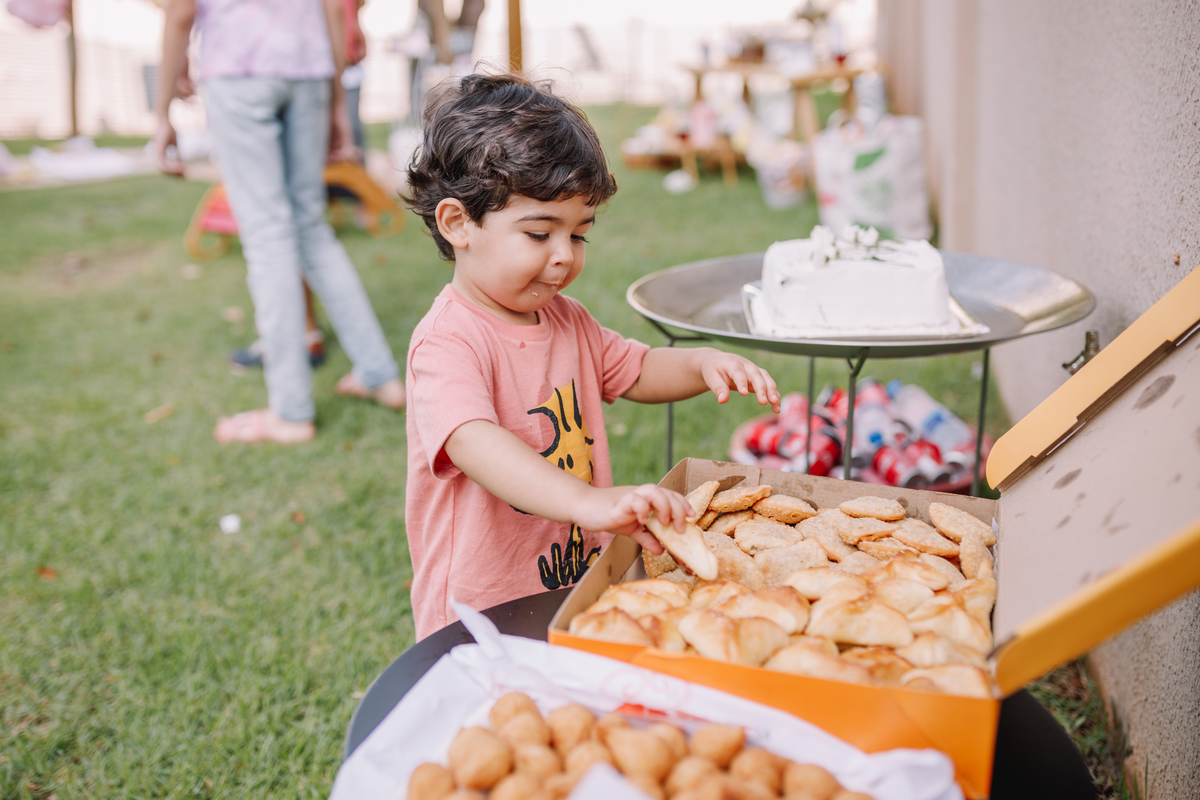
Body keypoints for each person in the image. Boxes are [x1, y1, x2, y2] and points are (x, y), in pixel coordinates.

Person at [403, 73, 782, 639]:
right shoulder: (448, 341)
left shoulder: (568, 319)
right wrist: (585, 501)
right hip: (481, 610)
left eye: (579, 234)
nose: (564, 256)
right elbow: (473, 441)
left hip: (569, 582)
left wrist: (702, 363)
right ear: (458, 223)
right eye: (539, 234)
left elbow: (637, 369)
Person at [153, 0, 406, 443]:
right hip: (308, 70)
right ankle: (379, 375)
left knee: (267, 235)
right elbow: (333, 9)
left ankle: (290, 413)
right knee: (312, 228)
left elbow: (180, 12)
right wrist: (336, 105)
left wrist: (160, 114)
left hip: (238, 68)